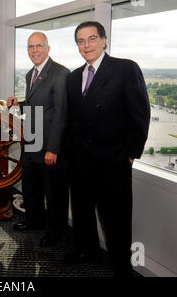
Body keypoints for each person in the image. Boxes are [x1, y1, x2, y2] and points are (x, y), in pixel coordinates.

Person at [65, 21, 150, 276]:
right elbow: (71, 120)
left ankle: (122, 268)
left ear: (104, 40)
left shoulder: (125, 69)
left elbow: (140, 114)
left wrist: (131, 154)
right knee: (82, 213)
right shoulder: (72, 77)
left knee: (116, 220)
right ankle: (87, 250)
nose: (86, 45)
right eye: (81, 41)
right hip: (80, 161)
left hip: (113, 162)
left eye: (92, 38)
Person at [7, 32, 70, 247]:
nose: (34, 50)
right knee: (31, 187)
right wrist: (20, 103)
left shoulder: (61, 73)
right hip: (31, 141)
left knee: (54, 193)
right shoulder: (29, 74)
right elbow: (39, 105)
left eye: (39, 46)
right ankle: (34, 221)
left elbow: (62, 113)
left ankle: (56, 231)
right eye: (30, 47)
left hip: (50, 147)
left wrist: (53, 149)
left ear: (48, 48)